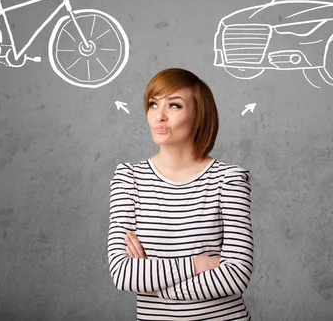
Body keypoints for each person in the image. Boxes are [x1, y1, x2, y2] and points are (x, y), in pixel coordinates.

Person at [107, 68, 254, 320]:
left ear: (198, 116)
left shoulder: (229, 179)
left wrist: (153, 286)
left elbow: (236, 276)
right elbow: (122, 273)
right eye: (153, 104)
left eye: (174, 106)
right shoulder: (128, 178)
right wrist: (197, 264)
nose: (159, 116)